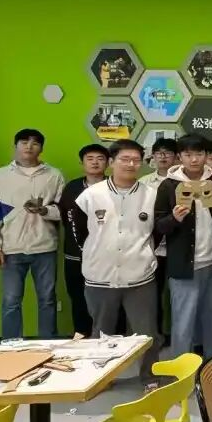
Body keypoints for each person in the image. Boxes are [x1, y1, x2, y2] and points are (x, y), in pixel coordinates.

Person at [69, 139, 160, 383]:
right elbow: (78, 231)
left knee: (146, 333)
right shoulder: (91, 195)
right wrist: (97, 251)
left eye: (136, 160)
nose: (130, 164)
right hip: (100, 276)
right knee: (102, 334)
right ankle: (101, 379)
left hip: (140, 276)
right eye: (125, 159)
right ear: (111, 162)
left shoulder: (151, 195)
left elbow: (157, 232)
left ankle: (149, 378)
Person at [0, 128, 66, 339]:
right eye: (24, 142)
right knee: (11, 300)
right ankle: (11, 344)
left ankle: (48, 342)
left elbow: (63, 211)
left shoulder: (54, 175)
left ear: (41, 148)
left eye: (35, 143)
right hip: (11, 248)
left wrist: (44, 210)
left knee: (47, 299)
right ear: (15, 146)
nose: (29, 147)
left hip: (45, 246)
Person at [154, 134, 212, 359]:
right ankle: (182, 371)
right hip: (184, 265)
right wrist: (174, 218)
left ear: (205, 155)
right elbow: (158, 225)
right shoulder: (168, 186)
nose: (194, 159)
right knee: (183, 321)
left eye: (199, 154)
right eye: (187, 154)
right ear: (179, 157)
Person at [58, 143, 108, 337]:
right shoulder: (72, 187)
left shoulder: (114, 186)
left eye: (100, 159)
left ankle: (111, 337)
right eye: (90, 159)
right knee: (78, 297)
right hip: (75, 254)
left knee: (108, 299)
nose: (95, 163)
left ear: (108, 163)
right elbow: (66, 217)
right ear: (82, 163)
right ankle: (82, 335)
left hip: (107, 255)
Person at [140, 137, 179, 340]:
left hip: (178, 244)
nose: (163, 157)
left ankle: (179, 335)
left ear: (176, 157)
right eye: (159, 153)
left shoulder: (183, 181)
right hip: (151, 245)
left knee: (180, 296)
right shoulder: (143, 183)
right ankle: (155, 335)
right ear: (153, 156)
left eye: (168, 153)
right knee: (153, 293)